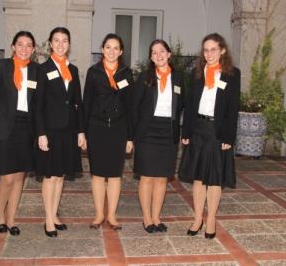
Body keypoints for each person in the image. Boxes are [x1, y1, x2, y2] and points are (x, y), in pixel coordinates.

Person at [178, 33, 240, 239]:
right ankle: (198, 218)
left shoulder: (232, 74)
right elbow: (189, 104)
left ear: (222, 50)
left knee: (214, 178)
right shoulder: (197, 73)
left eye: (213, 49)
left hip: (217, 132)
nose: (209, 53)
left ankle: (211, 219)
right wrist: (185, 132)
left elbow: (232, 110)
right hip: (198, 129)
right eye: (206, 49)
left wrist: (228, 139)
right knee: (198, 178)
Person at [0, 31, 38, 236]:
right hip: (5, 127)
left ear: (33, 50)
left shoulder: (36, 70)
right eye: (20, 44)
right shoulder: (2, 67)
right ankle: (0, 216)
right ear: (13, 47)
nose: (24, 48)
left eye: (28, 45)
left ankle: (12, 219)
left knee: (19, 177)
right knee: (7, 178)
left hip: (27, 128)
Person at [36, 27, 86, 237]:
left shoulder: (72, 69)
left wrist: (81, 131)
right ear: (50, 44)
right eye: (56, 40)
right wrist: (41, 133)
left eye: (64, 40)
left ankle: (54, 214)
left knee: (61, 175)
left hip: (69, 130)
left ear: (69, 44)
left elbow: (78, 102)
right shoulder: (43, 68)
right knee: (50, 175)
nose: (60, 44)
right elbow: (37, 105)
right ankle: (48, 219)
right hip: (50, 130)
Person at [132, 39, 185, 233]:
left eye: (162, 51)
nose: (159, 55)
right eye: (154, 53)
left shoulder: (178, 78)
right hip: (148, 131)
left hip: (168, 131)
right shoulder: (145, 77)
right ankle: (147, 218)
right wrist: (134, 134)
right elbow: (134, 107)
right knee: (146, 177)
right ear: (151, 58)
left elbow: (181, 106)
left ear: (169, 54)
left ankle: (156, 217)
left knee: (162, 177)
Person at [83, 33, 133, 230]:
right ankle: (98, 214)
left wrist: (130, 136)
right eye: (108, 47)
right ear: (102, 49)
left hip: (119, 129)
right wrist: (83, 133)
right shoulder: (93, 72)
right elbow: (86, 103)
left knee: (114, 175)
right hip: (97, 128)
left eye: (116, 48)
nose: (111, 51)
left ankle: (111, 215)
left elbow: (130, 107)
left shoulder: (126, 73)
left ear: (120, 52)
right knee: (97, 174)